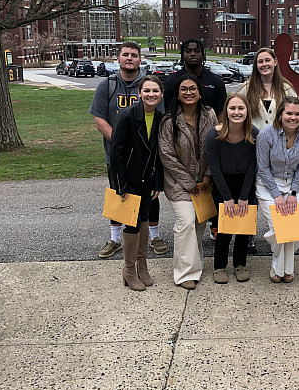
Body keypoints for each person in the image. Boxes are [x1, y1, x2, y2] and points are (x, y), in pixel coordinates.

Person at [89, 42, 167, 259]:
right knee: (118, 193)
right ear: (119, 58)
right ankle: (115, 238)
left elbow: (160, 119)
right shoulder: (108, 85)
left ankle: (154, 236)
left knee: (151, 197)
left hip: (147, 157)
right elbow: (99, 119)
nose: (130, 58)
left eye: (134, 55)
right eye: (126, 55)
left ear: (140, 59)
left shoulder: (149, 85)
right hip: (119, 155)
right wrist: (121, 144)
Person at [164, 39, 227, 243]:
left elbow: (221, 113)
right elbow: (168, 114)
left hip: (208, 152)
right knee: (188, 221)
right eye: (188, 51)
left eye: (196, 50)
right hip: (182, 149)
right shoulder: (172, 81)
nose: (192, 54)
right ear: (182, 54)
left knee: (208, 206)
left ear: (202, 53)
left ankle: (216, 228)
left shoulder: (215, 81)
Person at [159, 74, 218, 289]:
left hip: (204, 182)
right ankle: (185, 274)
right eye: (183, 89)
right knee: (185, 223)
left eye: (192, 88)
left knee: (199, 223)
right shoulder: (169, 121)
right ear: (177, 93)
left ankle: (196, 263)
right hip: (178, 184)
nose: (189, 92)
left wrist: (208, 176)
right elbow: (166, 155)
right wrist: (188, 182)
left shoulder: (210, 115)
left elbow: (215, 147)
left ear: (199, 91)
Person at [238, 46, 297, 252]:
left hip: (279, 149)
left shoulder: (286, 89)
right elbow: (237, 111)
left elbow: (294, 115)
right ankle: (248, 235)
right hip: (251, 147)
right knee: (249, 193)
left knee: (276, 191)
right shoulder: (247, 88)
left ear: (275, 62)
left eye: (267, 60)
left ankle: (281, 231)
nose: (264, 64)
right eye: (260, 61)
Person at [108, 75, 164, 291]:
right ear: (139, 93)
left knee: (143, 221)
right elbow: (116, 153)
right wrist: (120, 185)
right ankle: (129, 269)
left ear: (161, 94)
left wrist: (157, 182)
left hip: (148, 180)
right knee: (131, 225)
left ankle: (142, 265)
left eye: (155, 91)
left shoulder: (160, 118)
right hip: (129, 181)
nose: (151, 95)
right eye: (147, 91)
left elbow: (159, 155)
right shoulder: (127, 116)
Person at [256, 96, 299, 283]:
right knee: (278, 227)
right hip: (268, 183)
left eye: (298, 114)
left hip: (295, 184)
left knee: (295, 229)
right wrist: (277, 196)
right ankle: (278, 265)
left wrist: (293, 193)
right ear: (280, 115)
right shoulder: (266, 134)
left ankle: (285, 268)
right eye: (289, 113)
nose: (293, 117)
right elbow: (263, 168)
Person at [205, 93, 259, 284]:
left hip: (246, 184)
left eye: (241, 108)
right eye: (232, 108)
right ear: (226, 110)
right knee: (223, 229)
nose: (237, 112)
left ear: (247, 111)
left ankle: (240, 264)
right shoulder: (213, 136)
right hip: (222, 185)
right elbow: (215, 170)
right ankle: (219, 266)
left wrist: (244, 196)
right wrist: (227, 197)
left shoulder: (254, 134)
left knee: (243, 228)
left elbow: (253, 167)